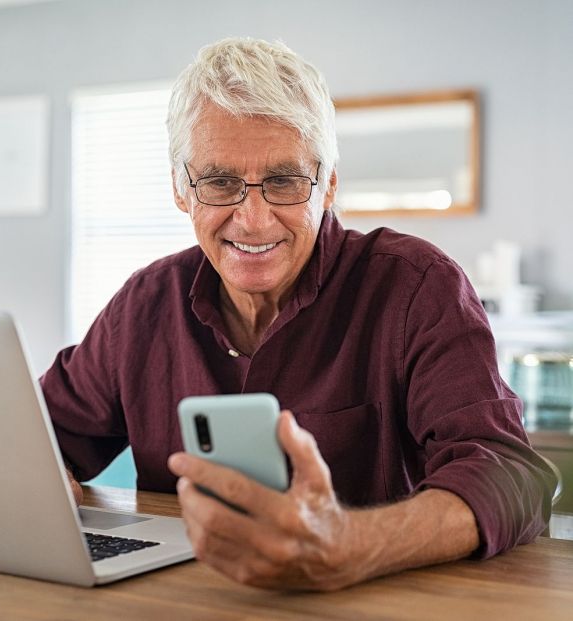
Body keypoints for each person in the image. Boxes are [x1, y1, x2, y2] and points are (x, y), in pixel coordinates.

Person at [42, 37, 555, 591]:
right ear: (180, 189)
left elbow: (513, 477)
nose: (254, 220)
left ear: (329, 183)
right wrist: (33, 479)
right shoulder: (144, 305)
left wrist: (350, 543)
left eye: (285, 181)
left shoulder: (416, 286)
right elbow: (37, 436)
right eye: (220, 182)